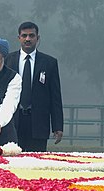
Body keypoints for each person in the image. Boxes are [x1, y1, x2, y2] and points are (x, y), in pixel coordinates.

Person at [5, 21, 64, 152]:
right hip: (13, 122)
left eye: (31, 36)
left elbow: (55, 97)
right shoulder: (7, 61)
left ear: (38, 38)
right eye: (24, 35)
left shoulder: (49, 63)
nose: (28, 39)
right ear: (18, 38)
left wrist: (58, 126)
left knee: (35, 164)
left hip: (38, 123)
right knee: (11, 163)